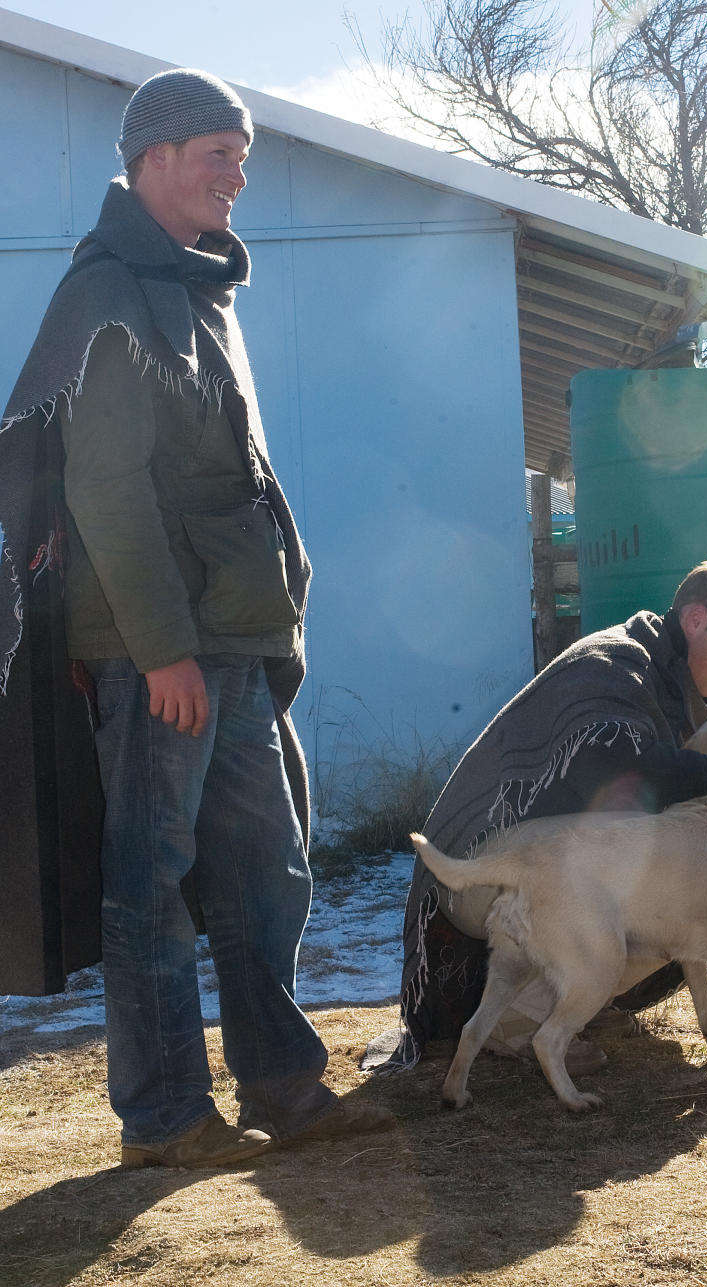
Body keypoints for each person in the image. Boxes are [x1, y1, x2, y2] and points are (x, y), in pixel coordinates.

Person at [0, 69, 394, 1168]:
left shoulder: (199, 289)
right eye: (217, 152)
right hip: (157, 652)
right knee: (153, 882)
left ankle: (281, 1084)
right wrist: (160, 648)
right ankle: (166, 1117)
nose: (238, 173)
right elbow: (107, 491)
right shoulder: (114, 292)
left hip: (229, 638)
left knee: (266, 870)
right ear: (153, 161)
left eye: (242, 154)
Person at [366, 557, 707, 1074]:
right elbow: (607, 765)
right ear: (696, 620)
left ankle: (571, 1004)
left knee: (683, 884)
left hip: (525, 867)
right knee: (670, 877)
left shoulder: (661, 673)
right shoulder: (616, 662)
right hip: (477, 868)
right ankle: (520, 1025)